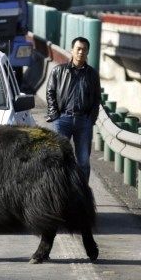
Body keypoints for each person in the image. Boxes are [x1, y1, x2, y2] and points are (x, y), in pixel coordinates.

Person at [45, 36, 101, 182]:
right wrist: (55, 114)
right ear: (72, 50)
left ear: (88, 52)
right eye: (78, 49)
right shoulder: (59, 71)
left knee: (83, 162)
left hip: (83, 122)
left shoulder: (92, 75)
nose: (81, 52)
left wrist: (91, 119)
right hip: (62, 119)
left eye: (84, 49)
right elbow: (50, 92)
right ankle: (60, 192)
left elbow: (96, 98)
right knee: (59, 160)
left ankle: (82, 196)